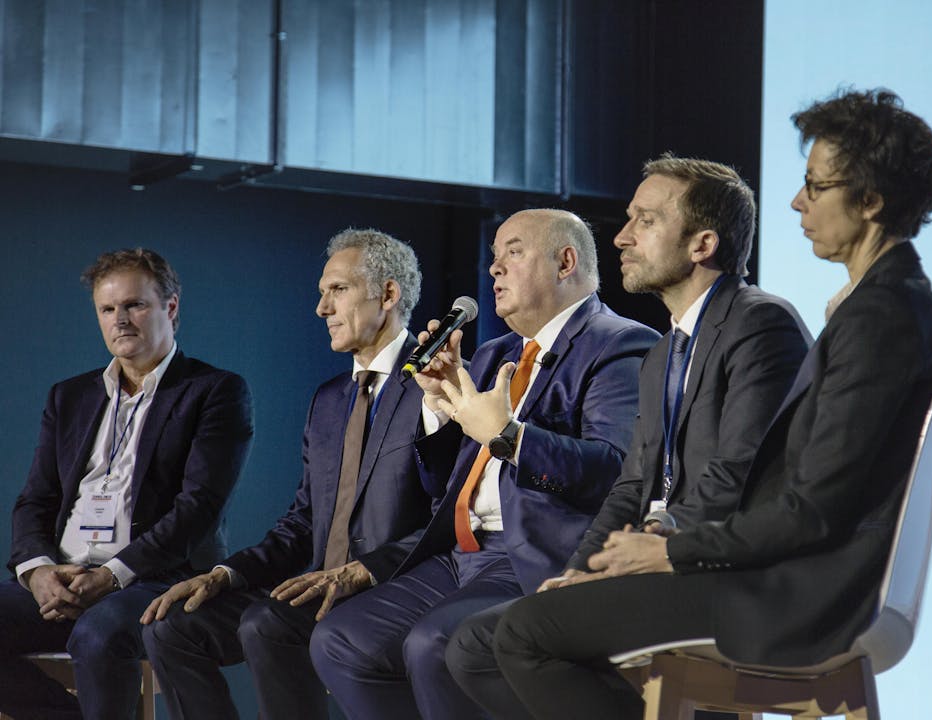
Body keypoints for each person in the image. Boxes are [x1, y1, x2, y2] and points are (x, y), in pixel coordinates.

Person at [488, 88, 932, 719]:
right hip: (791, 575)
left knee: (524, 634)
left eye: (816, 187)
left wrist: (667, 551)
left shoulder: (882, 317)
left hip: (808, 592)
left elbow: (811, 508)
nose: (797, 200)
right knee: (518, 627)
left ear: (870, 201)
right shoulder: (881, 306)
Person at [445, 156, 812, 717]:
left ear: (701, 244)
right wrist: (579, 571)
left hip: (732, 577)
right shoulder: (667, 350)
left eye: (645, 221)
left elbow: (736, 475)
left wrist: (654, 545)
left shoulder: (761, 324)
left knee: (520, 634)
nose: (621, 237)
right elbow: (633, 483)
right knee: (474, 645)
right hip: (669, 568)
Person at [309, 208, 660, 720]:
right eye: (493, 258)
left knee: (432, 644)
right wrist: (437, 406)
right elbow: (442, 485)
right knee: (340, 639)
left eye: (512, 253)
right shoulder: (496, 353)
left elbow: (611, 469)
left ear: (565, 262)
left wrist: (508, 436)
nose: (494, 269)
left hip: (531, 556)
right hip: (459, 555)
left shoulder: (620, 343)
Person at [139, 229, 432, 720]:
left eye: (337, 290)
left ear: (387, 294)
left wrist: (365, 570)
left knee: (265, 623)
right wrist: (224, 574)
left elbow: (450, 520)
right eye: (322, 293)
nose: (322, 309)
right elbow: (300, 524)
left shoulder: (439, 383)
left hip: (390, 591)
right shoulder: (329, 399)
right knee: (171, 625)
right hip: (316, 591)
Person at [0, 248, 253, 720]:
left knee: (98, 634)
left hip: (155, 579)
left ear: (170, 308)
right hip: (66, 576)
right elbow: (36, 499)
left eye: (135, 305)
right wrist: (38, 574)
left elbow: (198, 509)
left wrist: (110, 576)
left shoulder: (214, 391)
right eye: (108, 309)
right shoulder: (70, 395)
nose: (121, 320)